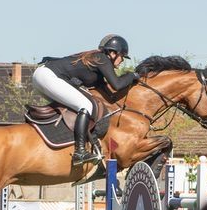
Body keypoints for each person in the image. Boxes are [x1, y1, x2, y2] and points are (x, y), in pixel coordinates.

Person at [32, 34, 140, 165]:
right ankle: (80, 152)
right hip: (48, 76)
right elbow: (116, 85)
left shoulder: (98, 62)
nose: (122, 60)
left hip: (42, 76)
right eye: (122, 56)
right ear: (112, 53)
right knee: (85, 105)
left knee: (72, 107)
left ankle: (60, 139)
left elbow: (107, 91)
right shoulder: (102, 59)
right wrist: (132, 75)